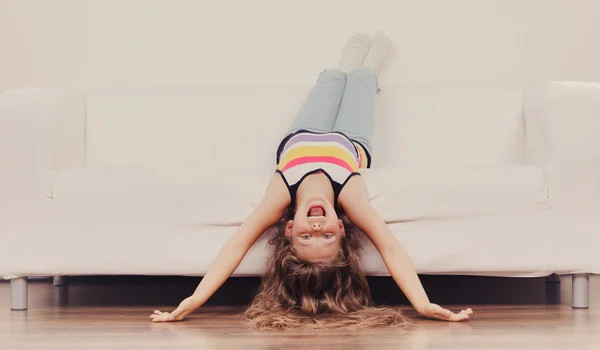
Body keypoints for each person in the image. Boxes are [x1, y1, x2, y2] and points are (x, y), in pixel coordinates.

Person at [150, 32, 473, 328]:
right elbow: (390, 248)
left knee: (330, 81)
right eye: (327, 238)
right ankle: (368, 66)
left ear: (289, 230)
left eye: (307, 239)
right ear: (342, 230)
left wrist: (194, 300)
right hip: (351, 140)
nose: (317, 231)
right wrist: (422, 303)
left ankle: (345, 65)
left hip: (301, 136)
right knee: (360, 81)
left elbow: (236, 246)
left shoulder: (280, 196)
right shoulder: (350, 197)